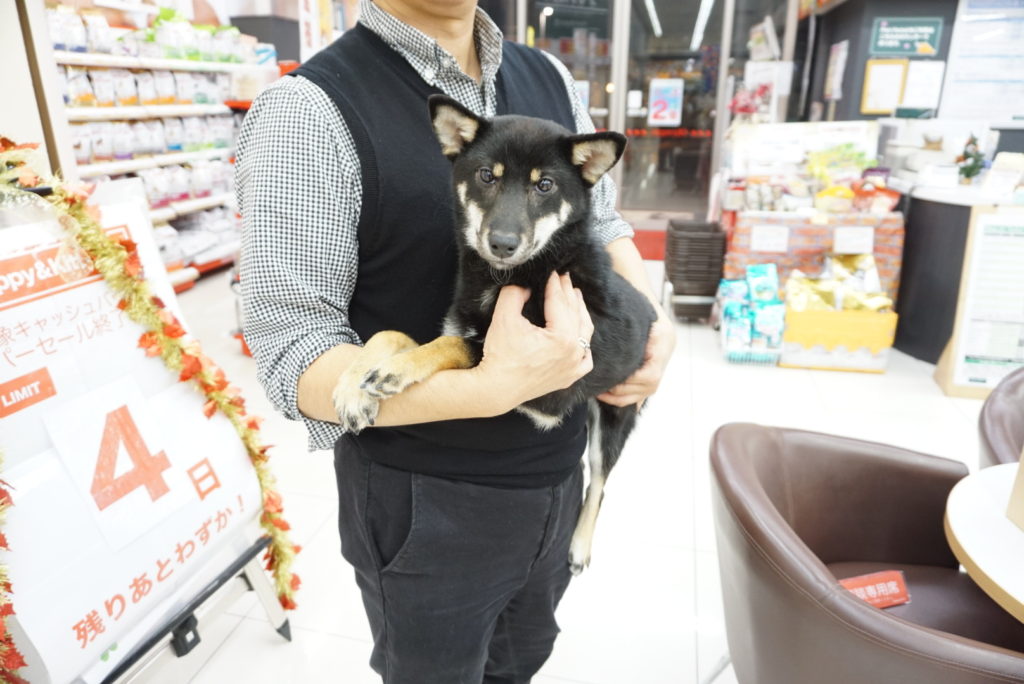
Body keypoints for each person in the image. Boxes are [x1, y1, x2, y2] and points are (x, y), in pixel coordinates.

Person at [235, 1, 676, 681]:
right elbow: (293, 350)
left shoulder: (551, 77)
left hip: (558, 476)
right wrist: (488, 388)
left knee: (523, 657)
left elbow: (605, 219)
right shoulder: (311, 109)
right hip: (427, 507)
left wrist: (655, 326)